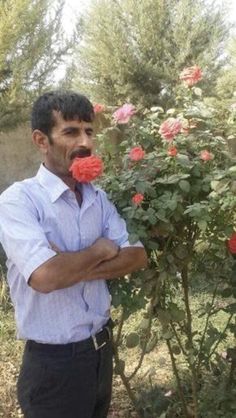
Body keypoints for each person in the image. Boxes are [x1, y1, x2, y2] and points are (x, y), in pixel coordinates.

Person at [0, 91, 147, 418]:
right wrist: (99, 250)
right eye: (70, 132)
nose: (85, 142)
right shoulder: (19, 202)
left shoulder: (99, 199)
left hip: (100, 354)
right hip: (53, 367)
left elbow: (137, 255)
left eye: (89, 131)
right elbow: (46, 277)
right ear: (41, 140)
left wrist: (68, 264)